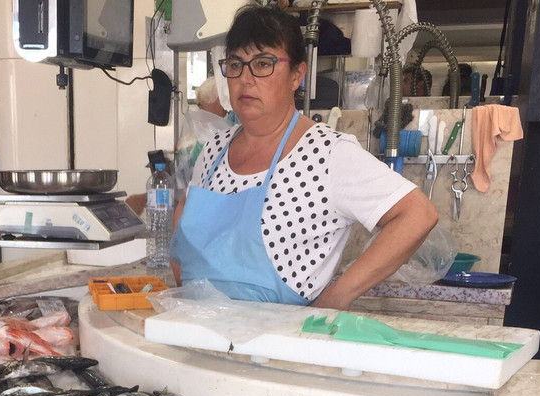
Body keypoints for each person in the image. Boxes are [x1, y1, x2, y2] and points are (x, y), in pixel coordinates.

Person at [171, 6, 437, 309]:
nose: (245, 79)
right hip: (195, 338)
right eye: (235, 64)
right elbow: (187, 218)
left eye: (263, 63)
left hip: (278, 348)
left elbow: (417, 215)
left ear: (297, 74)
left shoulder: (328, 154)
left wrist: (337, 297)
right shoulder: (214, 151)